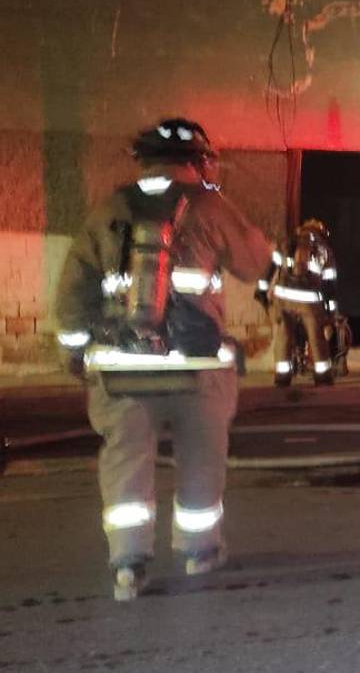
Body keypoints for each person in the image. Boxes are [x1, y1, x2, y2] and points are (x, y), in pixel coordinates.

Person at [54, 118, 273, 601]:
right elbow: (257, 262)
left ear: (144, 159)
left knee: (126, 461)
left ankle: (128, 565)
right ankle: (199, 552)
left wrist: (74, 350)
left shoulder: (109, 208)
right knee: (201, 458)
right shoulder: (211, 204)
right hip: (197, 370)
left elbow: (73, 290)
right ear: (198, 160)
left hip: (123, 369)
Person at [257, 219, 339, 387]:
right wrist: (330, 311)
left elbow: (270, 268)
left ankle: (282, 377)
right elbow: (330, 284)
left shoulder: (287, 243)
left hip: (284, 300)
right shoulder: (324, 249)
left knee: (283, 337)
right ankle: (322, 377)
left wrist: (262, 292)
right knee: (317, 339)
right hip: (309, 303)